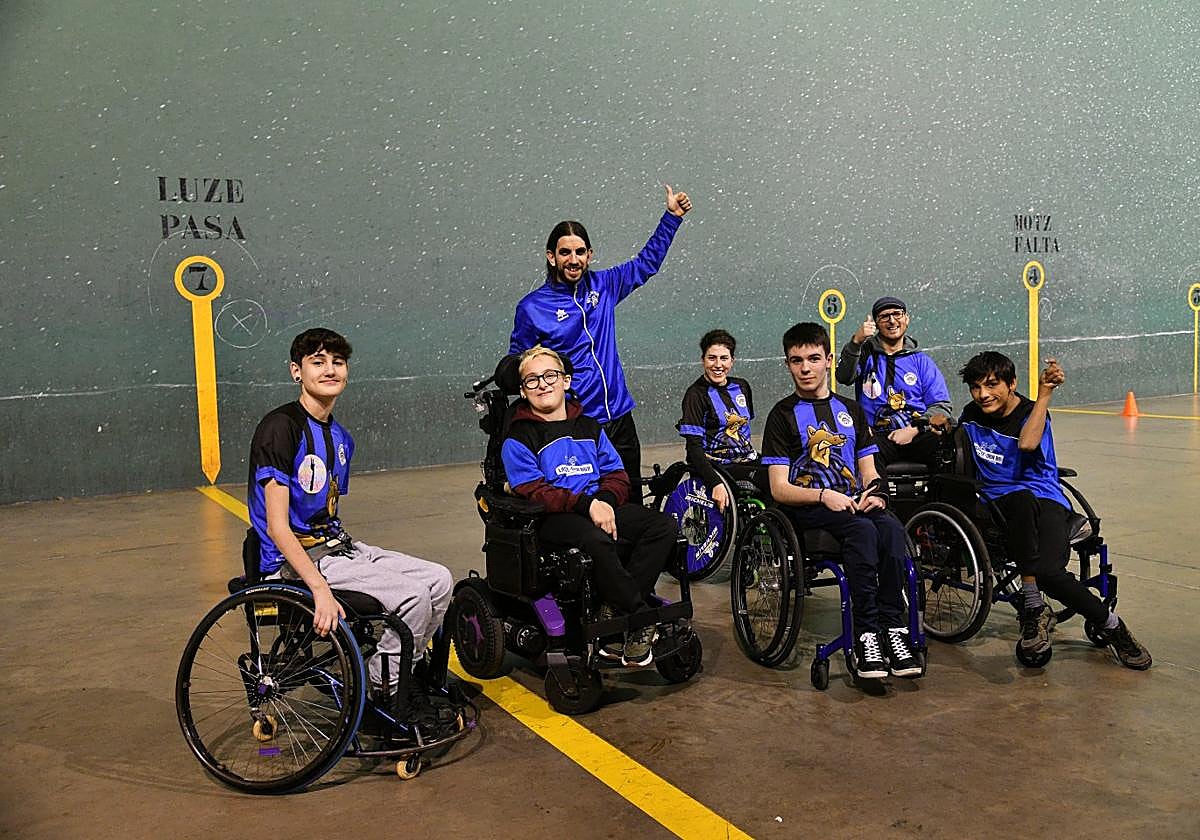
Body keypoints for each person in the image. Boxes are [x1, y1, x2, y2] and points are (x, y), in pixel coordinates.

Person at [246, 328, 458, 727]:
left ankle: (392, 676)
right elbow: (277, 526)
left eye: (337, 363)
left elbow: (325, 514)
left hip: (336, 547)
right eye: (318, 362)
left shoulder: (341, 437)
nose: (330, 370)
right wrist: (320, 591)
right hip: (294, 559)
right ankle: (387, 690)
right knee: (411, 597)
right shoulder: (281, 427)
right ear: (297, 371)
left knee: (440, 580)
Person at [958, 351, 1151, 669]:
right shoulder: (971, 414)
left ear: (1012, 384)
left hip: (1044, 500)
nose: (983, 394)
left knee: (1049, 572)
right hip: (996, 503)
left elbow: (1028, 444)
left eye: (992, 385)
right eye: (976, 387)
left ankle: (1111, 626)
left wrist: (1044, 395)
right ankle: (1035, 606)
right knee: (1018, 503)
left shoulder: (1032, 412)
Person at [761, 322, 922, 680]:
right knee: (863, 532)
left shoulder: (851, 409)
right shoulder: (782, 416)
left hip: (851, 504)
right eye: (797, 360)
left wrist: (876, 493)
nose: (806, 368)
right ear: (787, 364)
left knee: (892, 530)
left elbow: (869, 470)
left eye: (814, 359)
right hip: (809, 510)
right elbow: (778, 489)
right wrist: (823, 496)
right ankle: (866, 635)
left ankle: (893, 630)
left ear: (829, 360)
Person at [500, 345, 676, 666]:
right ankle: (639, 617)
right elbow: (535, 491)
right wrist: (587, 505)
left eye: (550, 376)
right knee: (594, 538)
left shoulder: (590, 427)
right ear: (523, 392)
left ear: (566, 381)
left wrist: (605, 501)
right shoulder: (518, 438)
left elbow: (617, 474)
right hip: (554, 518)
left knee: (661, 525)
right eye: (532, 380)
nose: (543, 384)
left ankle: (613, 607)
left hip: (596, 506)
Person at [509, 185, 694, 489]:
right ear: (551, 257)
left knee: (629, 497)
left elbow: (646, 264)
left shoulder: (604, 286)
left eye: (580, 252)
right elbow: (518, 365)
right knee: (592, 503)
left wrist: (672, 217)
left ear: (590, 255)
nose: (573, 259)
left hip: (620, 415)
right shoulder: (532, 308)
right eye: (565, 252)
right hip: (577, 422)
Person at [835, 296, 952, 468]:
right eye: (884, 316)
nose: (892, 321)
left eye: (897, 314)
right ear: (876, 323)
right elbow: (844, 377)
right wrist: (856, 342)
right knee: (866, 453)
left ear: (906, 318)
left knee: (947, 444)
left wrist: (913, 429)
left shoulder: (921, 361)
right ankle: (877, 495)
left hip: (917, 432)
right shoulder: (865, 354)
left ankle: (939, 495)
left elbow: (941, 405)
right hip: (877, 436)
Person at [677, 328, 761, 512]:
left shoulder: (742, 386)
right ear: (703, 360)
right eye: (712, 358)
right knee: (766, 479)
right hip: (718, 466)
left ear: (732, 361)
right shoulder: (696, 394)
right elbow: (693, 448)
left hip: (746, 459)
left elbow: (743, 431)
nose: (718, 364)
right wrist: (714, 482)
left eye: (724, 358)